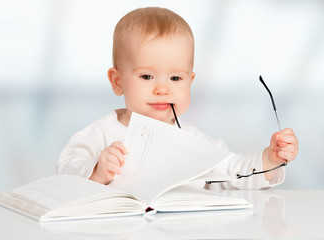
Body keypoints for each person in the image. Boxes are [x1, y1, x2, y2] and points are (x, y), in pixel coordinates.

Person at [56, 7, 298, 190]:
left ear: (190, 81)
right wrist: (97, 170)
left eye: (175, 79)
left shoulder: (192, 140)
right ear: (118, 82)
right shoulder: (102, 133)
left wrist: (269, 159)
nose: (163, 89)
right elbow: (65, 171)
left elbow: (233, 173)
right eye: (147, 76)